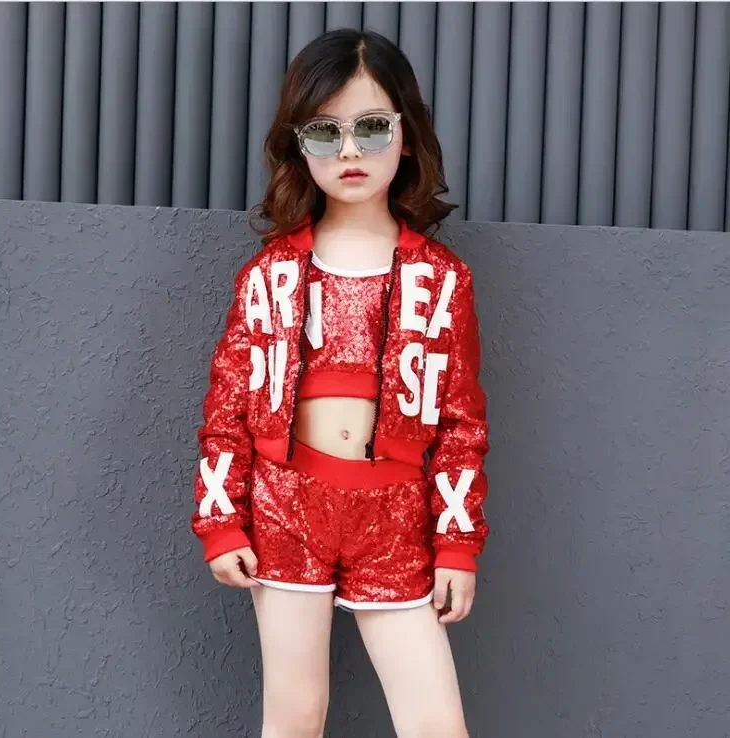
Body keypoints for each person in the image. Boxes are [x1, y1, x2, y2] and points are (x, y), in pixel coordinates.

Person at [190, 28, 491, 738]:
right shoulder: (269, 275)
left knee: (435, 723)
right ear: (298, 145)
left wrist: (456, 542)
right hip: (285, 507)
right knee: (294, 715)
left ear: (407, 137)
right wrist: (220, 520)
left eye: (372, 127)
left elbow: (460, 423)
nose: (350, 150)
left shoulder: (441, 279)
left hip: (396, 515)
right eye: (324, 132)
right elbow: (228, 406)